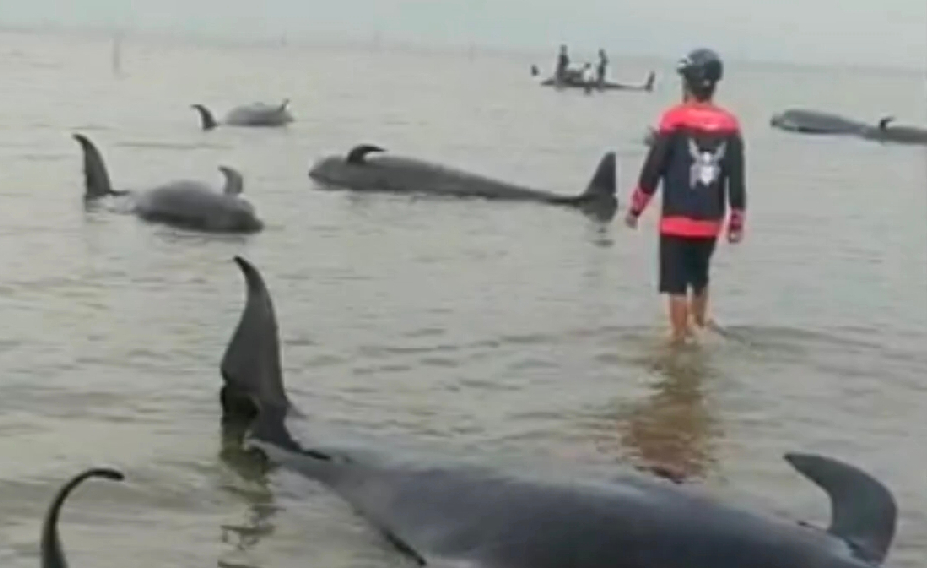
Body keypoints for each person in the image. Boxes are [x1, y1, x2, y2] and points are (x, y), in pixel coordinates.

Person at [624, 48, 746, 345]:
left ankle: (679, 343)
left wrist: (636, 208)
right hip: (710, 221)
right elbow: (736, 177)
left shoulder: (673, 120)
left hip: (676, 220)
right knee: (700, 277)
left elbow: (654, 167)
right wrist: (736, 222)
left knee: (676, 284)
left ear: (688, 84)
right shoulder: (730, 125)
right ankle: (700, 325)